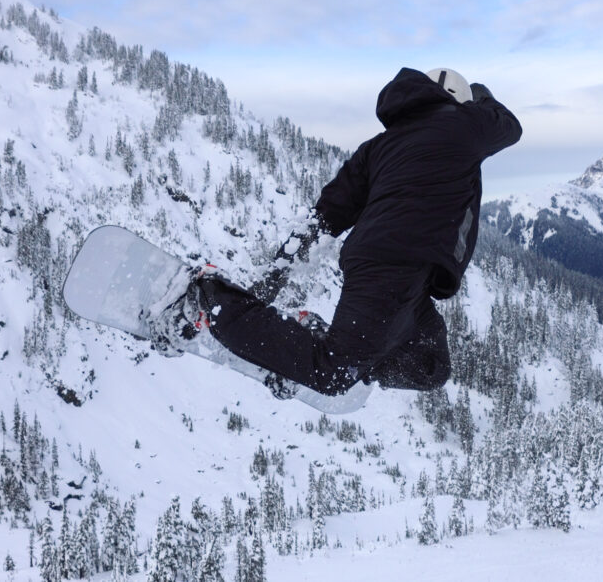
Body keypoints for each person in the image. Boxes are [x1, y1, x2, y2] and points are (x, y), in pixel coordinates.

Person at [146, 67, 522, 398]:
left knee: (430, 367)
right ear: (459, 101)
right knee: (333, 372)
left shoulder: (378, 148)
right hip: (391, 269)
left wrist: (275, 276)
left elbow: (326, 216)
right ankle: (207, 299)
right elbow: (508, 124)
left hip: (410, 280)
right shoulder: (464, 124)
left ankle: (303, 345)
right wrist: (482, 96)